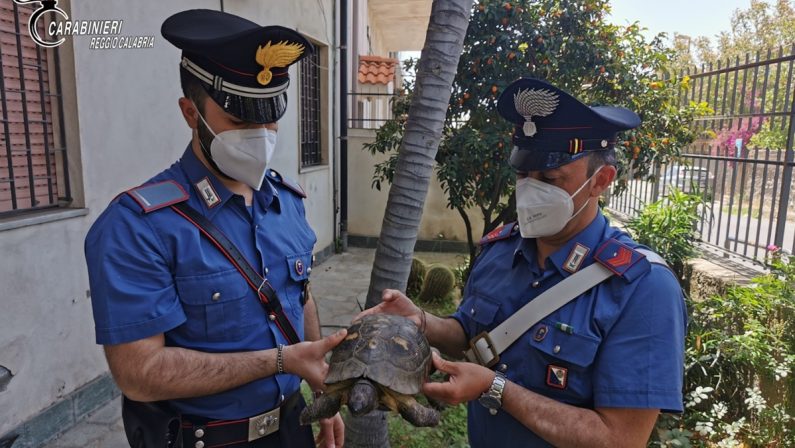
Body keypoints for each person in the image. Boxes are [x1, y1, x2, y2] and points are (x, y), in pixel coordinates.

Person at [359, 78, 687, 447]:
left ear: (601, 181)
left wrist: (496, 389)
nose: (531, 190)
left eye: (549, 178)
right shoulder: (501, 250)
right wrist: (421, 321)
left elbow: (620, 439)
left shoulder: (641, 288)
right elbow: (471, 335)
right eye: (522, 175)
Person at [84, 9, 345, 448]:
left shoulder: (287, 203)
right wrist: (282, 361)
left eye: (269, 118)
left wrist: (322, 392)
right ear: (190, 113)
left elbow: (301, 295)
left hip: (293, 426)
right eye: (241, 121)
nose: (261, 134)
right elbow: (140, 374)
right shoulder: (138, 226)